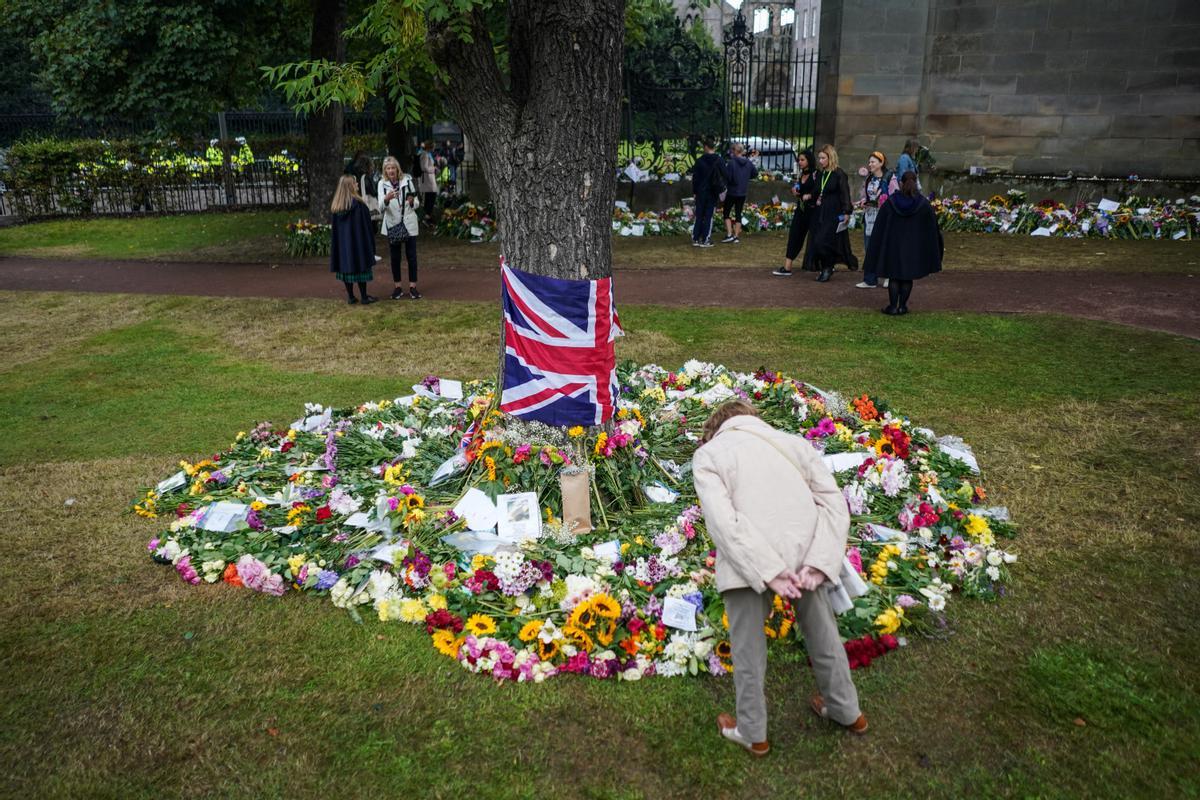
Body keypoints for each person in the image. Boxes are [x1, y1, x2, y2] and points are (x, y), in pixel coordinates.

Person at [693, 400, 866, 757]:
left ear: (714, 429)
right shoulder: (794, 443)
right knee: (823, 631)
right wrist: (819, 561)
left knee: (748, 647)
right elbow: (834, 504)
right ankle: (847, 711)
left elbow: (724, 523)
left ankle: (753, 732)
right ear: (751, 418)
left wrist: (767, 569)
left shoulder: (708, 455)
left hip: (748, 561)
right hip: (805, 551)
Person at [863, 170, 943, 315]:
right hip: (913, 246)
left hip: (893, 244)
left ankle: (893, 306)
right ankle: (902, 306)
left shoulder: (891, 202)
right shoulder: (923, 204)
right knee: (907, 276)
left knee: (894, 275)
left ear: (901, 183)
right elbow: (932, 227)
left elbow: (880, 225)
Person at [808, 144, 859, 282]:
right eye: (819, 158)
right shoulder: (820, 173)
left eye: (823, 158)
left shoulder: (838, 174)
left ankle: (827, 268)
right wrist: (809, 196)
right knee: (817, 241)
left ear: (830, 158)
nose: (820, 161)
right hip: (820, 212)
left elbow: (845, 194)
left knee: (824, 241)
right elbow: (817, 191)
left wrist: (847, 212)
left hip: (833, 212)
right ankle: (826, 266)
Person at [377, 155, 422, 300]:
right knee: (395, 257)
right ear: (385, 170)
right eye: (388, 168)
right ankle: (397, 288)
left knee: (412, 256)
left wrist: (411, 202)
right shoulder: (382, 184)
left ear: (397, 169)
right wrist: (386, 199)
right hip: (393, 224)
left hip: (408, 222)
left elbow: (416, 202)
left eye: (393, 168)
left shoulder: (407, 181)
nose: (391, 171)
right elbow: (380, 207)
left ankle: (413, 287)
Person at [329, 175, 377, 305]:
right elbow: (367, 227)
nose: (357, 185)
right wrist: (370, 245)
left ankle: (351, 296)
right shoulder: (359, 205)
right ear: (350, 186)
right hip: (359, 243)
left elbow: (335, 232)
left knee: (346, 267)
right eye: (355, 183)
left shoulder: (336, 207)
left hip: (343, 246)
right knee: (361, 266)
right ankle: (364, 296)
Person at [772, 147, 816, 277]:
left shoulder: (816, 174)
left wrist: (809, 195)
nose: (800, 162)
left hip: (813, 211)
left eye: (803, 160)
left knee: (817, 239)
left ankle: (824, 265)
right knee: (794, 236)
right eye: (799, 160)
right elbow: (800, 192)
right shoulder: (801, 174)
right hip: (801, 210)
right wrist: (796, 192)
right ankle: (787, 267)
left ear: (809, 160)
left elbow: (818, 191)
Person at [856, 151, 893, 289]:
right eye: (869, 162)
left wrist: (884, 202)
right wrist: (863, 201)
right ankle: (870, 279)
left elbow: (894, 196)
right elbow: (864, 194)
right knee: (869, 247)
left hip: (884, 218)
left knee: (885, 246)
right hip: (870, 216)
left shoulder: (890, 178)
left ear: (881, 163)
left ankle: (889, 276)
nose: (870, 164)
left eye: (873, 162)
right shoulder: (869, 179)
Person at [721, 142, 759, 243]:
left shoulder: (731, 163)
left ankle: (729, 234)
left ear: (734, 151)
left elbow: (728, 177)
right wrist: (746, 178)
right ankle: (736, 236)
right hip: (742, 192)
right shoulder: (748, 162)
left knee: (726, 212)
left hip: (732, 191)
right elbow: (755, 173)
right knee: (738, 213)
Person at [690, 137, 724, 248]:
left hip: (700, 191)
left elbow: (695, 178)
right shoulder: (719, 160)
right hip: (713, 191)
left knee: (699, 215)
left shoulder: (699, 161)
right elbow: (725, 175)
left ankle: (696, 238)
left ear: (705, 147)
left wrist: (695, 191)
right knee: (709, 215)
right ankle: (705, 239)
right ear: (713, 147)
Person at [417, 141, 439, 223]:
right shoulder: (425, 155)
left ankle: (428, 216)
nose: (434, 148)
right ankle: (427, 216)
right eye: (433, 146)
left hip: (429, 179)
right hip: (427, 180)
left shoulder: (427, 154)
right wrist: (434, 169)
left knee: (430, 197)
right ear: (430, 147)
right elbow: (424, 168)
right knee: (431, 197)